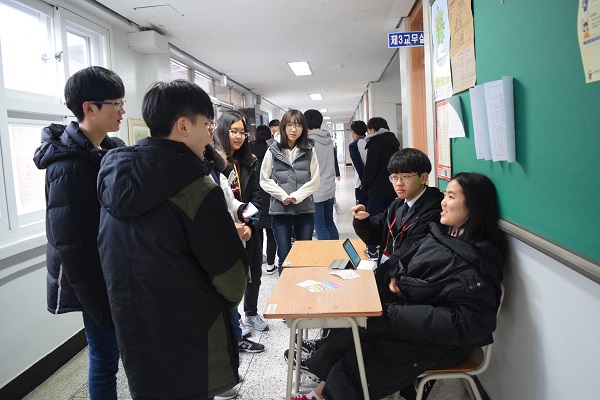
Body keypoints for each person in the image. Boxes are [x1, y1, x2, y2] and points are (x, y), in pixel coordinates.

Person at [291, 172, 506, 400]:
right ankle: (317, 388)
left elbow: (467, 323)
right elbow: (417, 272)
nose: (443, 202)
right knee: (357, 333)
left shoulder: (476, 262)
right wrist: (401, 288)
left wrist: (396, 312)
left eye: (451, 197)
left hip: (440, 341)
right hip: (411, 318)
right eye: (445, 195)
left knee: (361, 358)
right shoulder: (444, 234)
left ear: (473, 205)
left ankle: (320, 388)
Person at [97, 80, 249, 400]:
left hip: (135, 328)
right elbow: (232, 280)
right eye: (207, 125)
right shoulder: (197, 188)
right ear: (183, 126)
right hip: (189, 333)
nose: (210, 134)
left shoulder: (114, 180)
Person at [33, 66, 125, 400]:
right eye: (116, 104)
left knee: (114, 353)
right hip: (95, 278)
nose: (122, 110)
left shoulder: (109, 149)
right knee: (104, 358)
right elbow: (71, 244)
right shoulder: (67, 165)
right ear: (89, 108)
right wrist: (97, 302)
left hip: (112, 270)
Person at [352, 148, 443, 286]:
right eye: (394, 177)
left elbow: (408, 254)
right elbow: (374, 235)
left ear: (423, 178)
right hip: (388, 273)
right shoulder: (398, 204)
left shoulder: (434, 212)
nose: (398, 183)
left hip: (405, 282)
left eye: (405, 176)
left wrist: (377, 276)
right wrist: (362, 220)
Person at [214, 110, 270, 333]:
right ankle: (234, 319)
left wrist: (250, 223)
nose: (238, 137)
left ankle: (251, 314)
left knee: (254, 273)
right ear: (222, 131)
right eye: (233, 131)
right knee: (233, 276)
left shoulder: (250, 161)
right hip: (226, 230)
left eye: (242, 132)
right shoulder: (214, 162)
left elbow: (257, 197)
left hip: (248, 227)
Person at [260, 109, 320, 274]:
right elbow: (264, 179)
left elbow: (315, 180)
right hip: (280, 210)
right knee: (284, 256)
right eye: (290, 125)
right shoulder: (272, 149)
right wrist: (283, 196)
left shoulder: (309, 149)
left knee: (305, 255)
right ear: (283, 127)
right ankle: (286, 290)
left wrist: (296, 196)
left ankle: (303, 287)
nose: (294, 129)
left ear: (303, 128)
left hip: (305, 209)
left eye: (298, 125)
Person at [361, 117, 400, 259]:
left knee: (373, 219)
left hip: (376, 190)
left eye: (369, 130)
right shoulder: (393, 142)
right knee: (390, 218)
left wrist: (364, 186)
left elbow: (370, 169)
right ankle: (388, 247)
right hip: (392, 188)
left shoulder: (374, 143)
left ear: (373, 129)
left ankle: (372, 249)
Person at [305, 109, 339, 240]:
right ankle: (335, 248)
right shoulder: (328, 140)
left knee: (319, 224)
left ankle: (327, 251)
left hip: (316, 190)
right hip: (329, 187)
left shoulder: (308, 142)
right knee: (329, 221)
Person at [250, 124, 278, 275]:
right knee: (271, 233)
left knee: (257, 231)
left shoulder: (247, 150)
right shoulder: (273, 150)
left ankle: (259, 260)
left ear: (255, 136)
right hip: (271, 197)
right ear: (270, 136)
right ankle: (271, 265)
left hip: (254, 199)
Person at [348, 120, 369, 206]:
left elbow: (359, 165)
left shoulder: (353, 145)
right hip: (373, 181)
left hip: (361, 183)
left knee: (362, 207)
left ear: (353, 132)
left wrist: (364, 183)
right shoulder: (370, 142)